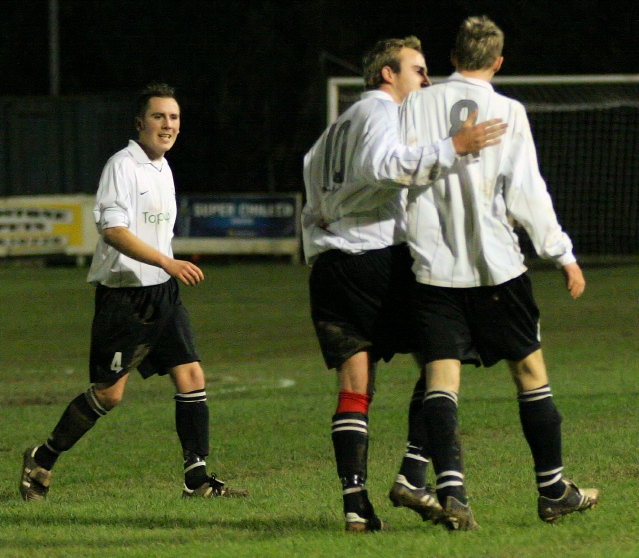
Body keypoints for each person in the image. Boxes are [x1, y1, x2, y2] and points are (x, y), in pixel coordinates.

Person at [399, 16, 600, 530]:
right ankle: (553, 489)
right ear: (498, 62)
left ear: (452, 56)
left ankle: (452, 491)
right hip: (498, 271)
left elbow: (394, 173)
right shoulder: (508, 111)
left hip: (433, 271)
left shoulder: (415, 103)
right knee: (530, 374)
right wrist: (562, 254)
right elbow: (527, 192)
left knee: (443, 380)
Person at [302, 36, 507, 532]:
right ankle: (415, 473)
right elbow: (382, 167)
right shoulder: (381, 111)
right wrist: (451, 147)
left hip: (331, 269)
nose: (426, 79)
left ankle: (356, 509)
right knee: (446, 353)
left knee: (355, 387)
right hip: (375, 262)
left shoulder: (334, 130)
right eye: (417, 69)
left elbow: (313, 180)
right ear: (386, 75)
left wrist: (324, 227)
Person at [19, 83, 248, 502]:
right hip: (125, 298)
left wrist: (165, 268)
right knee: (110, 393)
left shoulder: (164, 168)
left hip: (162, 293)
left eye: (174, 117)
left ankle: (195, 480)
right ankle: (42, 457)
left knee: (192, 375)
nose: (168, 125)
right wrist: (166, 260)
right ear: (140, 123)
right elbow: (113, 231)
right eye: (159, 116)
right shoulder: (122, 166)